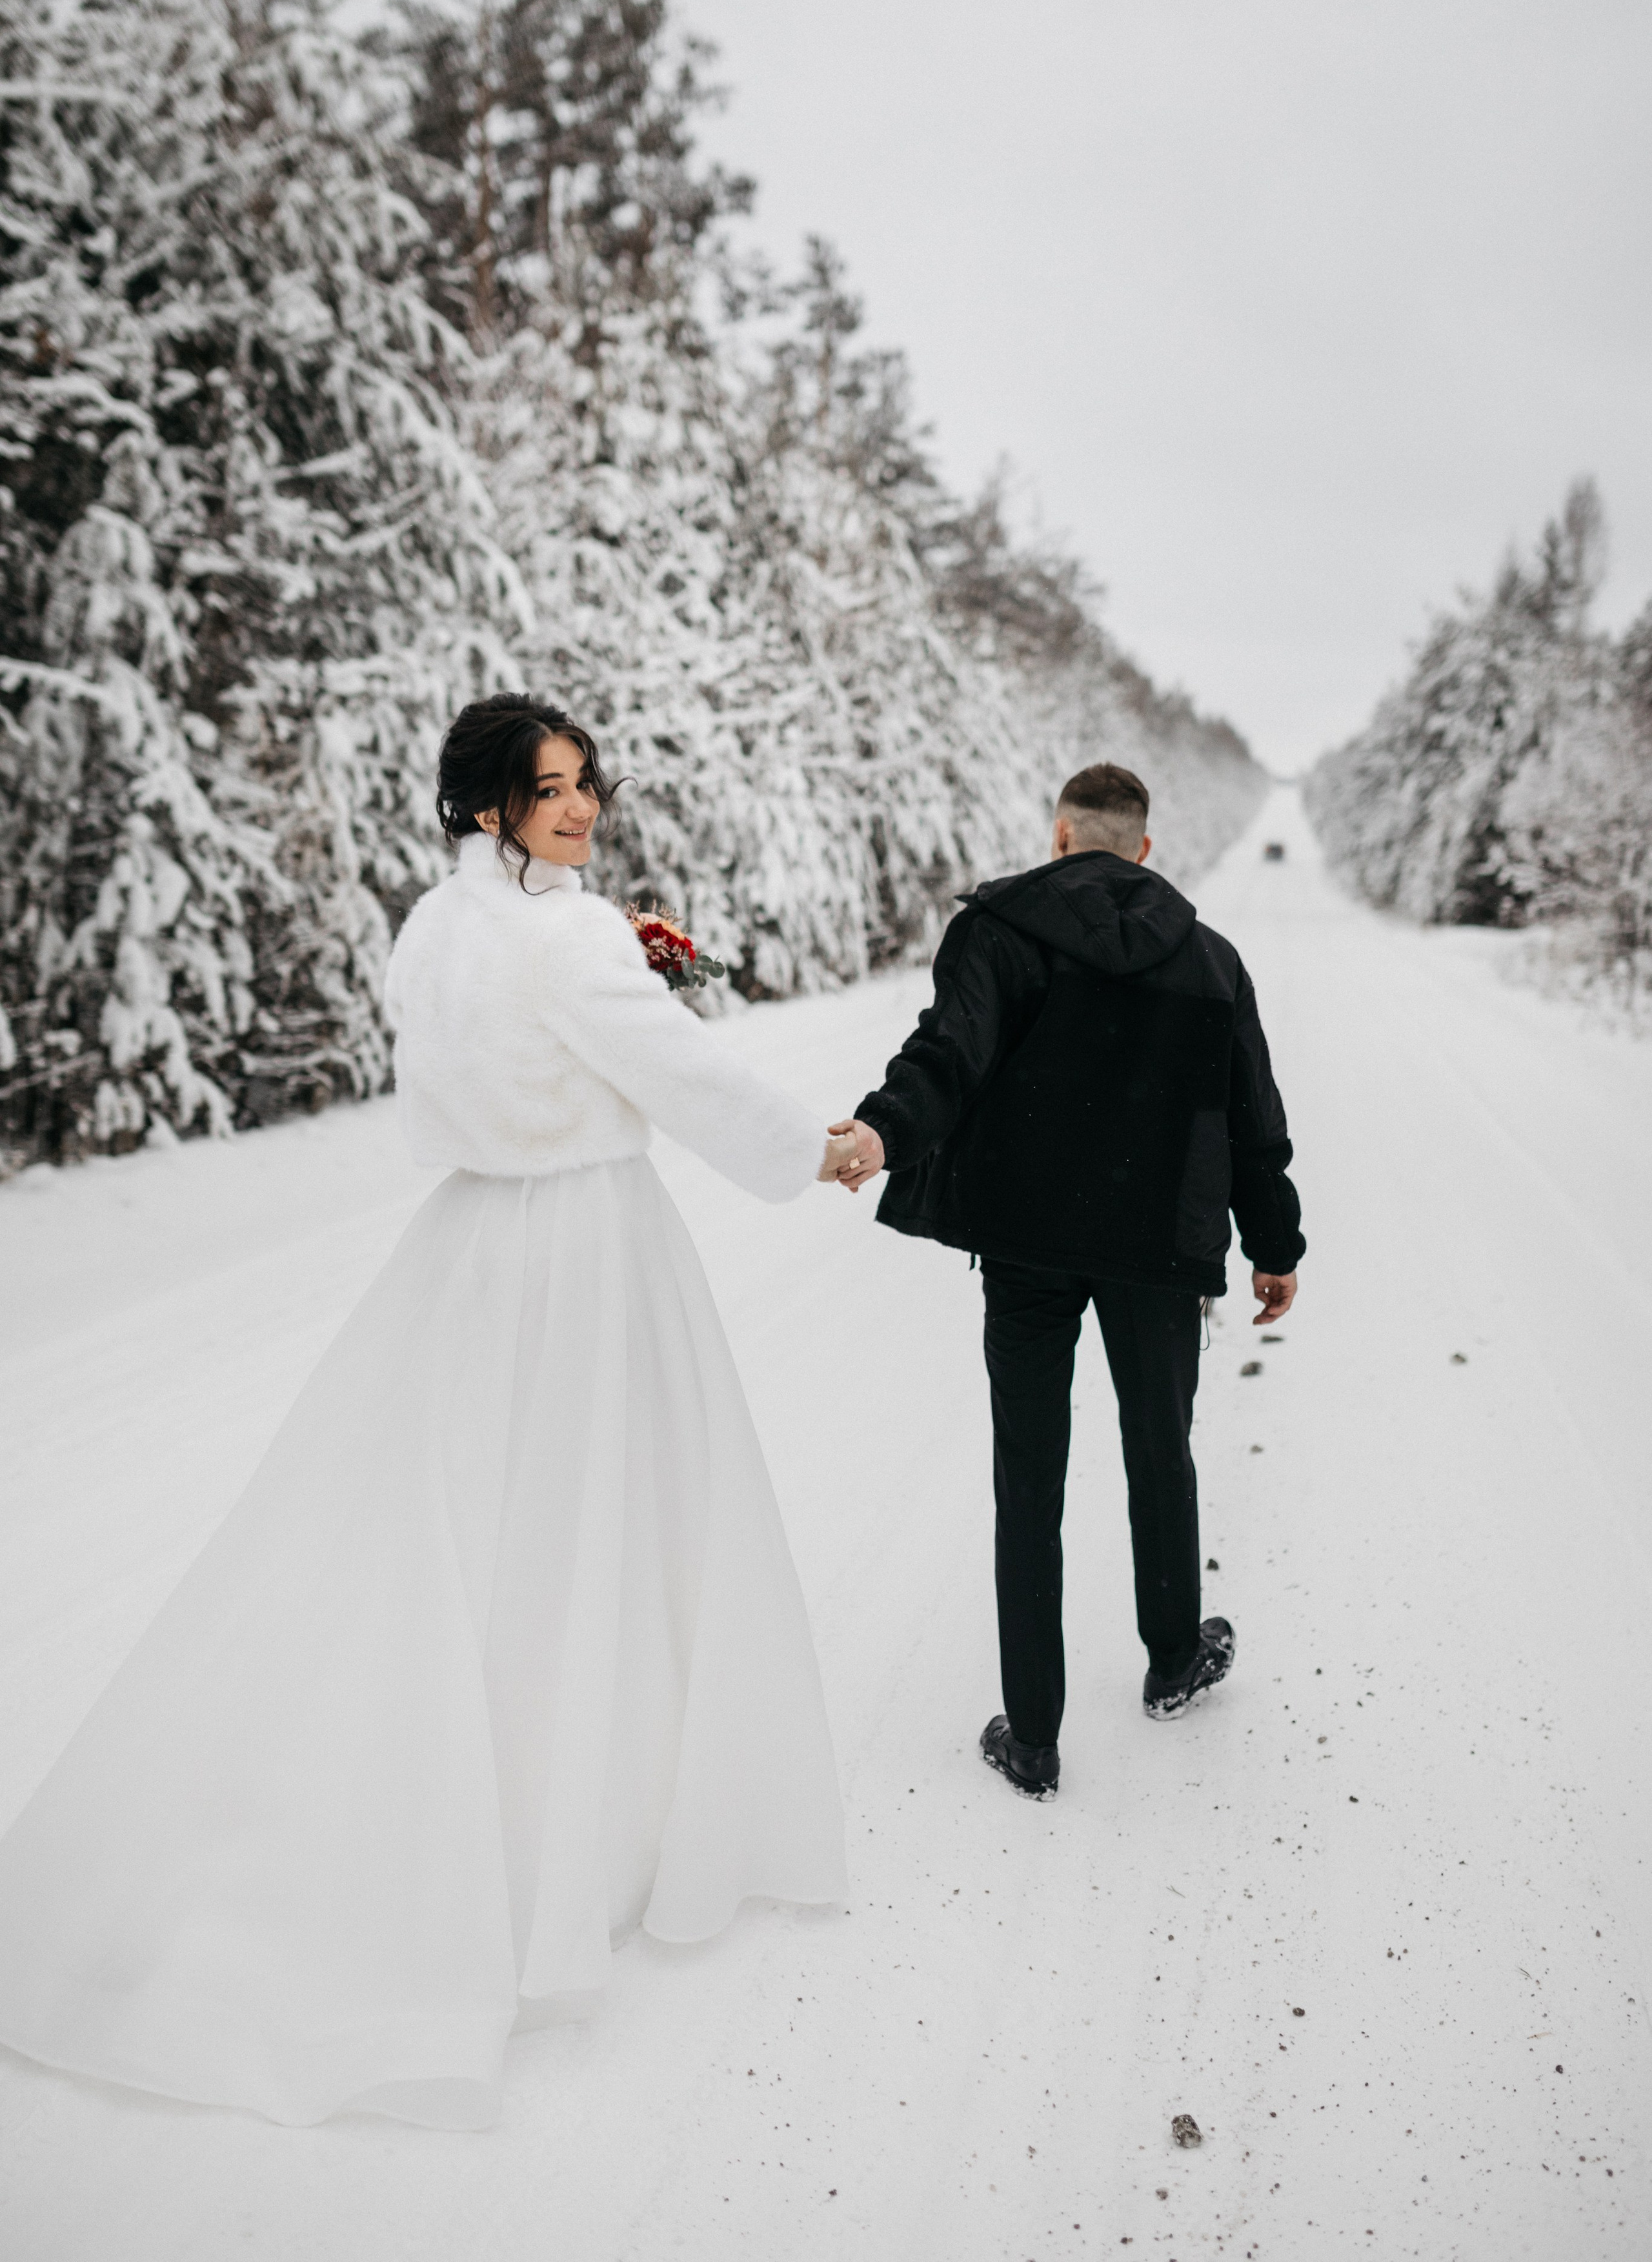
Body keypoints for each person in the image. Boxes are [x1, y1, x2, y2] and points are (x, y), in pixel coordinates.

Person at [0, 694, 853, 2128]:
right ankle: (563, 1848)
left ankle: (472, 1815)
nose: (579, 810)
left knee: (458, 1528)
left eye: (585, 785)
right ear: (484, 808)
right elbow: (677, 1074)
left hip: (470, 1249)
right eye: (547, 790)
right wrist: (809, 1148)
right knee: (600, 1522)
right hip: (586, 1244)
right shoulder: (571, 936)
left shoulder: (437, 927)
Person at [829, 762, 1305, 1798]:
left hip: (1029, 1243)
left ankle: (1034, 1737)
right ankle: (1174, 1660)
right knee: (1159, 1451)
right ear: (1143, 849)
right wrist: (1277, 1247)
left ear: (1058, 837)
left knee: (1028, 1475)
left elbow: (944, 1057)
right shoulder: (1213, 960)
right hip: (1158, 1251)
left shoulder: (999, 933)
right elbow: (1253, 1121)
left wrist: (882, 1131)